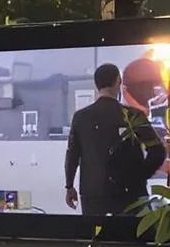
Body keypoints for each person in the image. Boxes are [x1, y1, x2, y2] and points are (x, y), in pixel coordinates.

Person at [66, 62, 167, 219]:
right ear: (118, 82)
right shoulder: (132, 115)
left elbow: (72, 154)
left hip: (93, 193)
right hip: (130, 193)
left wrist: (69, 186)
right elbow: (157, 151)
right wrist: (140, 175)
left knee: (96, 237)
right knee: (130, 239)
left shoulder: (81, 117)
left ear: (96, 84)